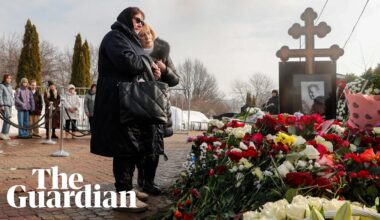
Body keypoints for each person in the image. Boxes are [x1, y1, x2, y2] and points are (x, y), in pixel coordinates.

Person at [90, 7, 161, 212]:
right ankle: (123, 195)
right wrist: (148, 62)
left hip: (129, 102)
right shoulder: (115, 37)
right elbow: (129, 63)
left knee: (131, 148)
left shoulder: (131, 40)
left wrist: (152, 70)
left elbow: (138, 64)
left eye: (142, 21)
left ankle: (127, 189)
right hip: (117, 102)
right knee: (124, 148)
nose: (140, 24)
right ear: (127, 19)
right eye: (137, 20)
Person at [138, 23, 179, 195]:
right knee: (139, 146)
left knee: (155, 145)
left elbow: (176, 79)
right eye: (142, 35)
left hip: (157, 106)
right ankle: (141, 177)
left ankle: (149, 181)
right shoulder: (134, 52)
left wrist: (164, 70)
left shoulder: (163, 54)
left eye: (148, 33)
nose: (146, 36)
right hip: (138, 103)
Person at [0, 74, 15, 140]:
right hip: (5, 105)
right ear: (5, 79)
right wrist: (1, 105)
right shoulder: (1, 86)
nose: (9, 79)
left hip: (10, 105)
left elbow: (11, 95)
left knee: (8, 119)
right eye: (8, 78)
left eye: (10, 78)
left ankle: (6, 133)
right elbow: (0, 96)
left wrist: (13, 101)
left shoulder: (10, 86)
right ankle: (3, 133)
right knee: (7, 119)